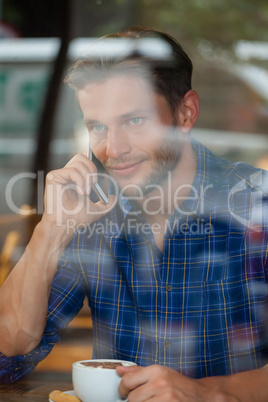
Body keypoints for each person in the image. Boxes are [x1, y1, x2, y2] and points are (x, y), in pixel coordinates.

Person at [0, 26, 268, 401]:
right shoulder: (92, 215)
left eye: (134, 120)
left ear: (186, 112)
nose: (113, 148)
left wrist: (207, 392)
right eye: (97, 126)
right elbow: (8, 354)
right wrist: (51, 230)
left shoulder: (258, 206)